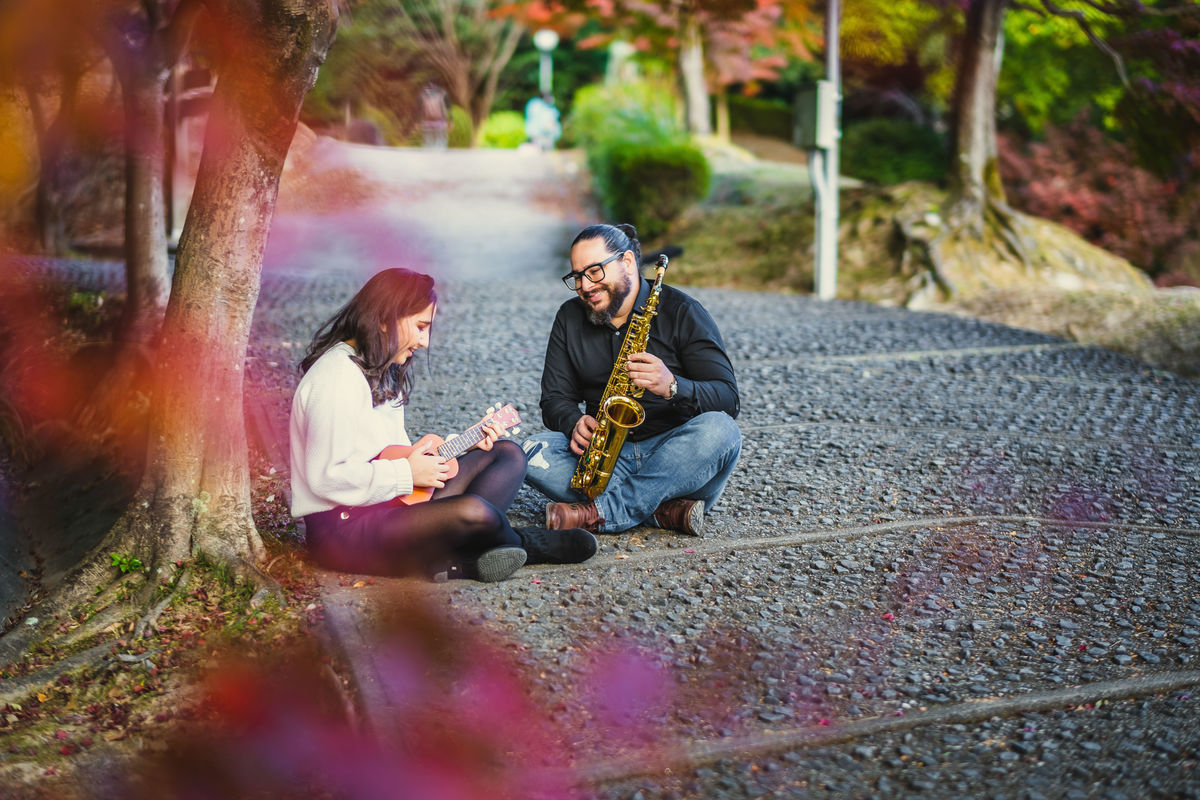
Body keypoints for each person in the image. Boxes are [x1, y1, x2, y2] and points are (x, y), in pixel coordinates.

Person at [290, 268, 597, 582]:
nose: (424, 342)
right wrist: (407, 473)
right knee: (473, 511)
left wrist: (462, 444)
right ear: (384, 318)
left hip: (384, 503)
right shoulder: (337, 377)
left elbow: (390, 453)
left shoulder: (378, 366)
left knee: (507, 455)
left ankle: (463, 550)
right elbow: (326, 478)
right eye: (420, 327)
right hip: (344, 531)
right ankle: (523, 544)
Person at [522, 224, 742, 537]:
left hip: (674, 455)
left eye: (595, 271)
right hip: (606, 455)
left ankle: (601, 513)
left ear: (626, 261)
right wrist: (573, 422)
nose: (585, 285)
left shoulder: (683, 312)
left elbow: (728, 398)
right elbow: (554, 399)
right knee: (530, 449)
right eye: (577, 276)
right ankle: (663, 511)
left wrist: (673, 386)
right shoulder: (570, 317)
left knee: (721, 432)